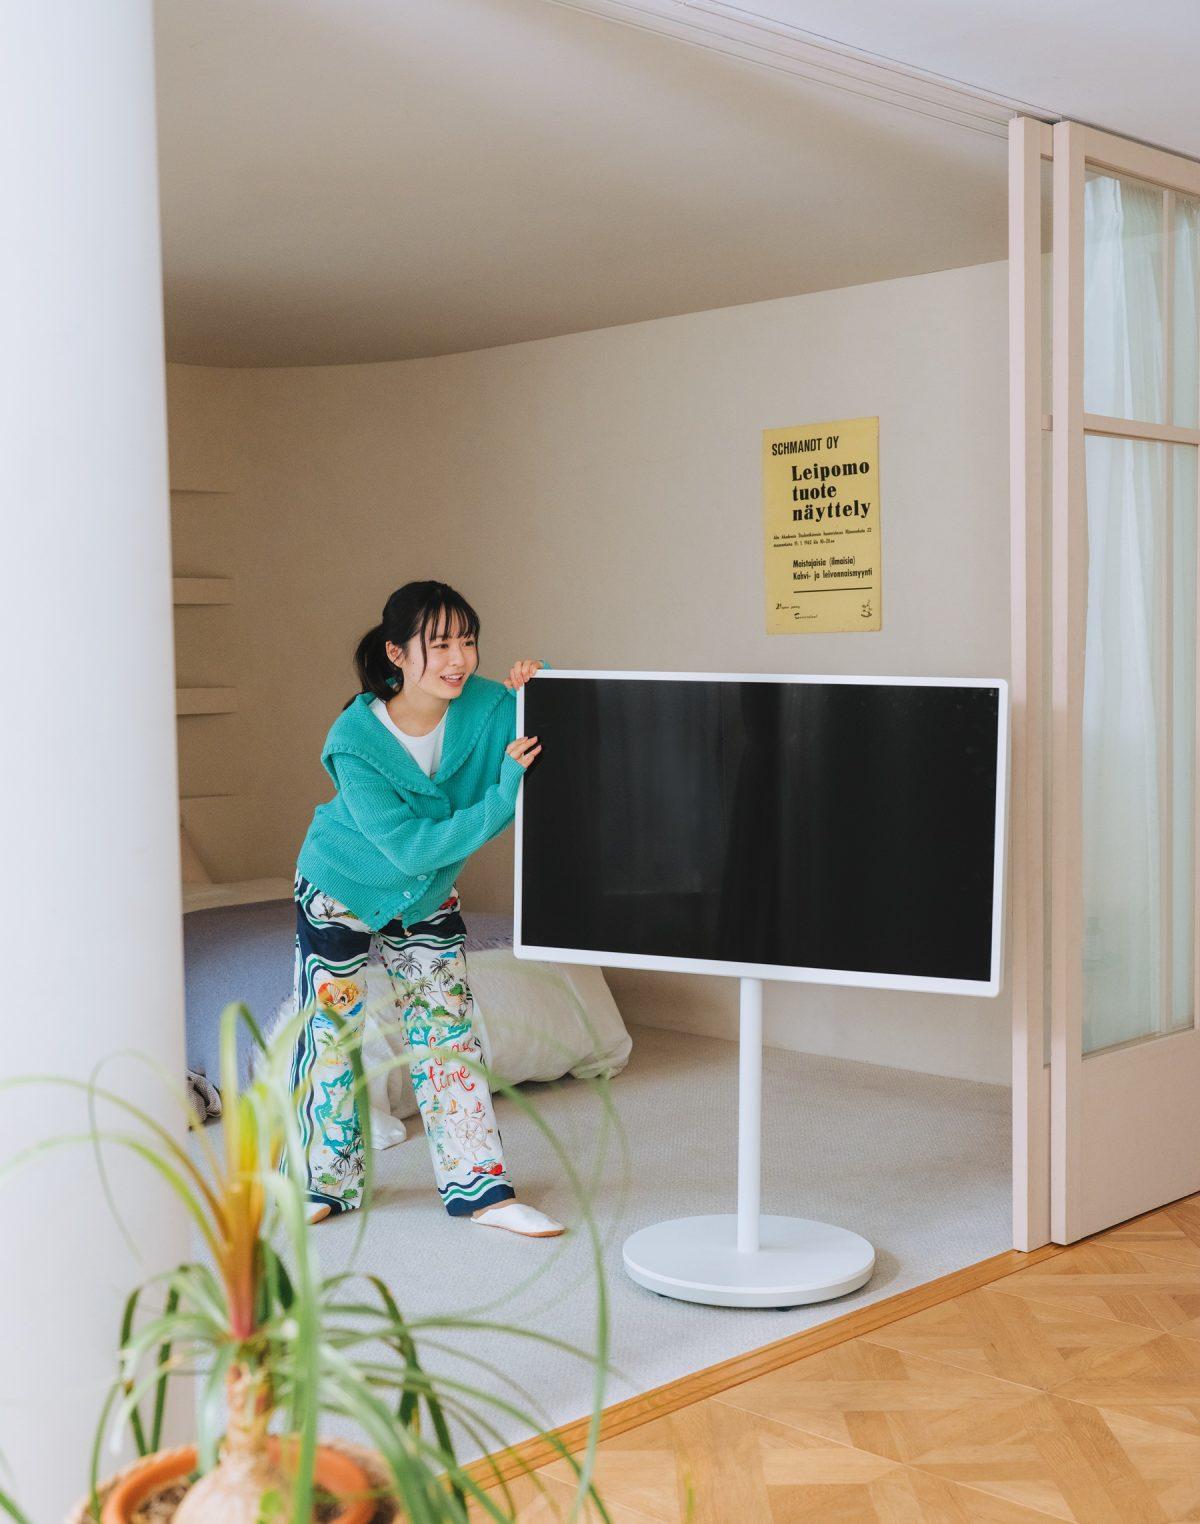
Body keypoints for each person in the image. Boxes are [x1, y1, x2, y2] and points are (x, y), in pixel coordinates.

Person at [286, 579, 562, 1237]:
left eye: (468, 641)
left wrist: (539, 681)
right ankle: (323, 1185)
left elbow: (555, 723)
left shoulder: (487, 707)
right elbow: (411, 848)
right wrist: (502, 794)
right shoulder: (354, 740)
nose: (458, 659)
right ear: (397, 654)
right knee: (330, 1035)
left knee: (447, 1034)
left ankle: (481, 1191)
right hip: (341, 885)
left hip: (427, 894)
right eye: (439, 644)